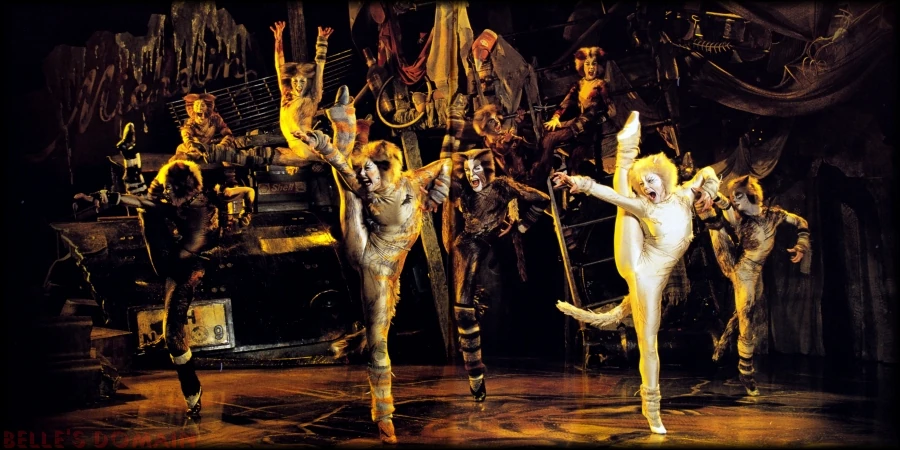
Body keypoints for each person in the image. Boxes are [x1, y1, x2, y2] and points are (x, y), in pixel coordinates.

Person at [299, 86, 451, 444]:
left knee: (352, 188)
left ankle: (349, 126)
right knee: (349, 192)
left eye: (370, 170)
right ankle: (383, 416)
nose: (366, 176)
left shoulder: (412, 180)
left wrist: (439, 193)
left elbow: (446, 164)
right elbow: (342, 167)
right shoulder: (369, 189)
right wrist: (325, 147)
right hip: (372, 262)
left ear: (389, 170)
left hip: (392, 264)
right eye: (364, 169)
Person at [552, 111, 720, 434]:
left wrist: (709, 191)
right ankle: (651, 407)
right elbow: (613, 195)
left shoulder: (684, 196)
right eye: (642, 183)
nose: (645, 186)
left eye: (650, 181)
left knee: (648, 343)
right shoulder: (646, 206)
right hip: (638, 269)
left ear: (665, 178)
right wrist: (579, 183)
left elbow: (708, 173)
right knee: (625, 204)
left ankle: (627, 150)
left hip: (651, 274)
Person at [76, 125, 254, 418]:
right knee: (148, 207)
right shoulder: (196, 199)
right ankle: (130, 158)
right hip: (175, 261)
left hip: (186, 269)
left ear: (184, 190)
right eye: (166, 189)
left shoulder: (197, 204)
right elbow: (247, 192)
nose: (168, 194)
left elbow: (246, 191)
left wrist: (244, 217)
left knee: (172, 336)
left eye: (171, 190)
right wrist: (247, 213)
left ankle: (192, 393)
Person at [448, 144, 549, 402]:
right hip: (467, 247)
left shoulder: (502, 186)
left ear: (488, 170)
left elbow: (541, 199)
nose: (472, 175)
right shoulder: (463, 190)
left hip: (490, 249)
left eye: (476, 169)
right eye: (468, 170)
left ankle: (476, 375)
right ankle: (475, 376)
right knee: (463, 311)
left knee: (478, 309)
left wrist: (522, 225)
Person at [701, 175, 810, 396]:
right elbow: (726, 206)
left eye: (738, 196)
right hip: (742, 270)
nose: (735, 200)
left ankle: (723, 343)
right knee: (746, 314)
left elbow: (801, 222)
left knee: (741, 311)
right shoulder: (740, 219)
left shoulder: (773, 215)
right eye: (733, 197)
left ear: (751, 193)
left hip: (757, 273)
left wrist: (801, 244)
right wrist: (715, 196)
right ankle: (746, 370)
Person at [534, 47, 615, 181]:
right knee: (571, 161)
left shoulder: (601, 85)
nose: (591, 68)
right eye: (587, 64)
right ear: (582, 66)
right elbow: (566, 102)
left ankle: (538, 176)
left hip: (588, 127)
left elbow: (612, 110)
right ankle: (542, 174)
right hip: (577, 124)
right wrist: (555, 118)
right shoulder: (578, 84)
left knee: (553, 139)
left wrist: (598, 120)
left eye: (594, 64)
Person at [271, 20, 333, 164]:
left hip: (306, 145)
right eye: (295, 81)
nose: (298, 86)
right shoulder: (287, 95)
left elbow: (319, 69)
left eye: (302, 82)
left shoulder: (312, 97)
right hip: (293, 145)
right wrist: (278, 40)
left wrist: (322, 42)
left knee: (327, 159)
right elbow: (279, 68)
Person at [172, 93, 234, 163]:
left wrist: (222, 145)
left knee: (229, 150)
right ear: (192, 107)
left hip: (211, 147)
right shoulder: (190, 122)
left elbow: (228, 134)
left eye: (202, 105)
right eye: (197, 105)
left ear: (208, 107)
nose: (199, 108)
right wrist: (191, 146)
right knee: (181, 149)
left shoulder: (215, 118)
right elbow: (186, 136)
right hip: (195, 147)